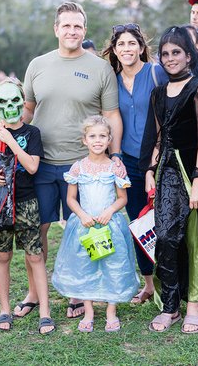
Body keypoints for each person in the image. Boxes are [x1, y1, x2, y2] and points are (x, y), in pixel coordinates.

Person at [17, 1, 123, 319]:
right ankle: (35, 293)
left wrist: (114, 156)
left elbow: (111, 115)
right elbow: (27, 110)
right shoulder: (38, 65)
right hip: (42, 163)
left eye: (78, 26)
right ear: (56, 29)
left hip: (84, 166)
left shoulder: (99, 68)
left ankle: (80, 295)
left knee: (82, 229)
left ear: (84, 30)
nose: (72, 31)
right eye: (66, 25)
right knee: (38, 230)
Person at [102, 23, 198, 304]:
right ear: (114, 51)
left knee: (170, 221)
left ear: (142, 47)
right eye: (121, 45)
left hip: (164, 158)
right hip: (127, 160)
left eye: (132, 44)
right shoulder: (111, 80)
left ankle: (181, 283)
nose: (126, 49)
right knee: (139, 221)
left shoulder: (156, 72)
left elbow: (187, 97)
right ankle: (150, 283)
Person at [139, 26, 198, 334]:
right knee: (166, 238)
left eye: (176, 52)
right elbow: (156, 137)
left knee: (194, 242)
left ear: (189, 55)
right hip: (166, 172)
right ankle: (171, 306)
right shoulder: (157, 94)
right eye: (165, 54)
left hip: (193, 170)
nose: (170, 59)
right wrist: (150, 171)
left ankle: (193, 306)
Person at [0, 78, 55, 334]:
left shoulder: (31, 133)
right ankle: (4, 309)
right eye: (4, 101)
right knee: (3, 256)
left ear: (23, 103)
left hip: (26, 203)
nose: (10, 106)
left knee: (35, 256)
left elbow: (33, 166)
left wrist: (11, 141)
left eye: (15, 101)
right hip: (0, 206)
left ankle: (44, 311)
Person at [52, 115, 140, 332]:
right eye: (92, 136)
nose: (97, 140)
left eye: (102, 136)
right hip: (85, 225)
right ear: (84, 140)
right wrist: (82, 215)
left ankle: (111, 311)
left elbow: (122, 198)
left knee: (113, 265)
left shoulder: (115, 168)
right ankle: (89, 312)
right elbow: (71, 198)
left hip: (110, 224)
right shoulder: (78, 168)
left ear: (110, 139)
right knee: (85, 267)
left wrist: (110, 211)